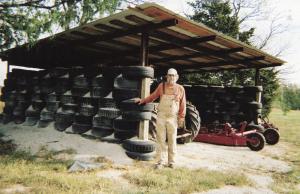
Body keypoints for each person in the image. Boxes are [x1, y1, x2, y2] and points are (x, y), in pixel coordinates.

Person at [135, 68, 186, 168]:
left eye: (173, 75)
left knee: (172, 139)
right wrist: (142, 100)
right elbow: (153, 96)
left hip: (173, 118)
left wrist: (181, 117)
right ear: (167, 76)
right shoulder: (161, 86)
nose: (171, 77)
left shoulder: (180, 89)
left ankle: (172, 162)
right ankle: (160, 162)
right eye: (169, 75)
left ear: (177, 77)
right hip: (161, 117)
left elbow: (183, 104)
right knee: (160, 139)